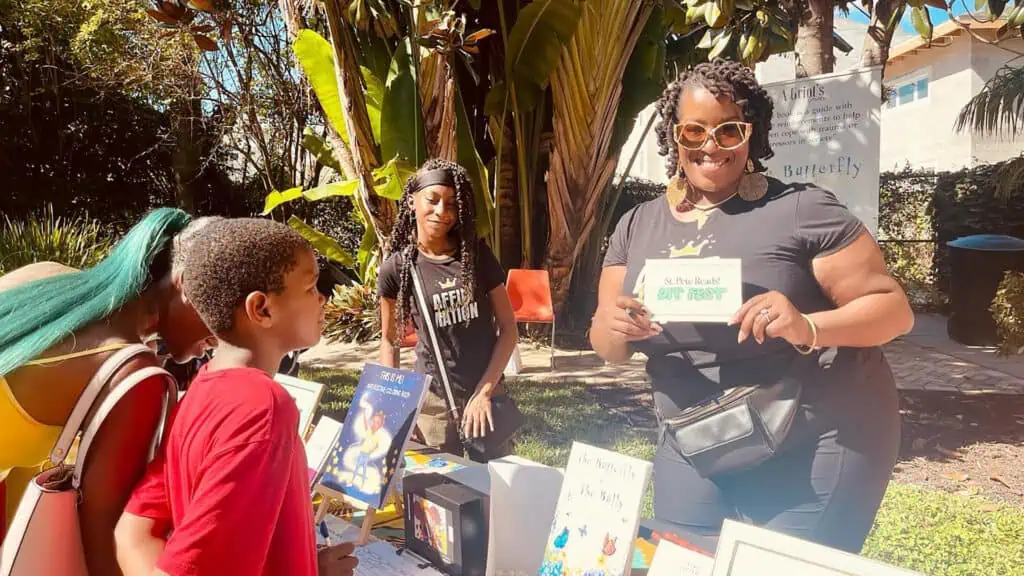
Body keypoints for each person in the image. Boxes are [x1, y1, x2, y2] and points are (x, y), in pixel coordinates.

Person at [589, 59, 914, 553]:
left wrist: (806, 324)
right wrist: (614, 326)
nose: (710, 145)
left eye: (728, 130)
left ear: (752, 133)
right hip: (694, 436)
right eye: (694, 130)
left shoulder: (801, 209)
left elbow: (893, 311)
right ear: (674, 136)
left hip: (818, 435)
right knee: (683, 560)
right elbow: (607, 346)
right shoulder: (637, 226)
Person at [113, 217, 358, 576]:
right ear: (262, 309)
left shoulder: (200, 391)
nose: (322, 298)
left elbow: (132, 534)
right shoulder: (263, 408)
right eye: (309, 288)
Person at [0, 209, 218, 573]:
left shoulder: (46, 277)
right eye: (220, 308)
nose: (221, 336)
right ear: (182, 283)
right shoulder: (134, 375)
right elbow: (105, 539)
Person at [378, 159, 518, 462]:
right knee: (439, 495)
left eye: (452, 204)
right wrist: (395, 407)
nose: (442, 212)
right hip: (432, 402)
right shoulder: (398, 268)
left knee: (495, 491)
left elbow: (508, 328)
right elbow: (390, 340)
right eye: (433, 200)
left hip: (485, 392)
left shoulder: (477, 257)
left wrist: (485, 392)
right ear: (412, 202)